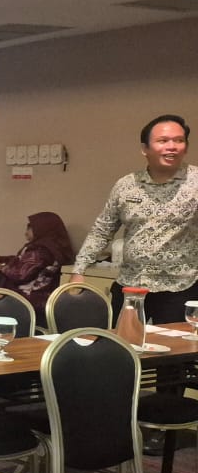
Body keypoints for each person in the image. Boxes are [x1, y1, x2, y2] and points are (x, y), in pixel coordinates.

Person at [72, 113, 198, 324]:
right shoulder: (126, 185)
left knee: (173, 345)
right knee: (120, 342)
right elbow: (102, 230)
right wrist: (79, 270)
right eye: (163, 141)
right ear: (145, 149)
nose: (172, 146)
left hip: (180, 289)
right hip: (131, 286)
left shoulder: (195, 181)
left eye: (179, 140)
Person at [0, 212, 75, 326]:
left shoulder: (42, 250)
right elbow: (21, 260)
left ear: (41, 229)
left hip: (29, 300)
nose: (26, 233)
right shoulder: (55, 247)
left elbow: (20, 274)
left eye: (29, 228)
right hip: (43, 298)